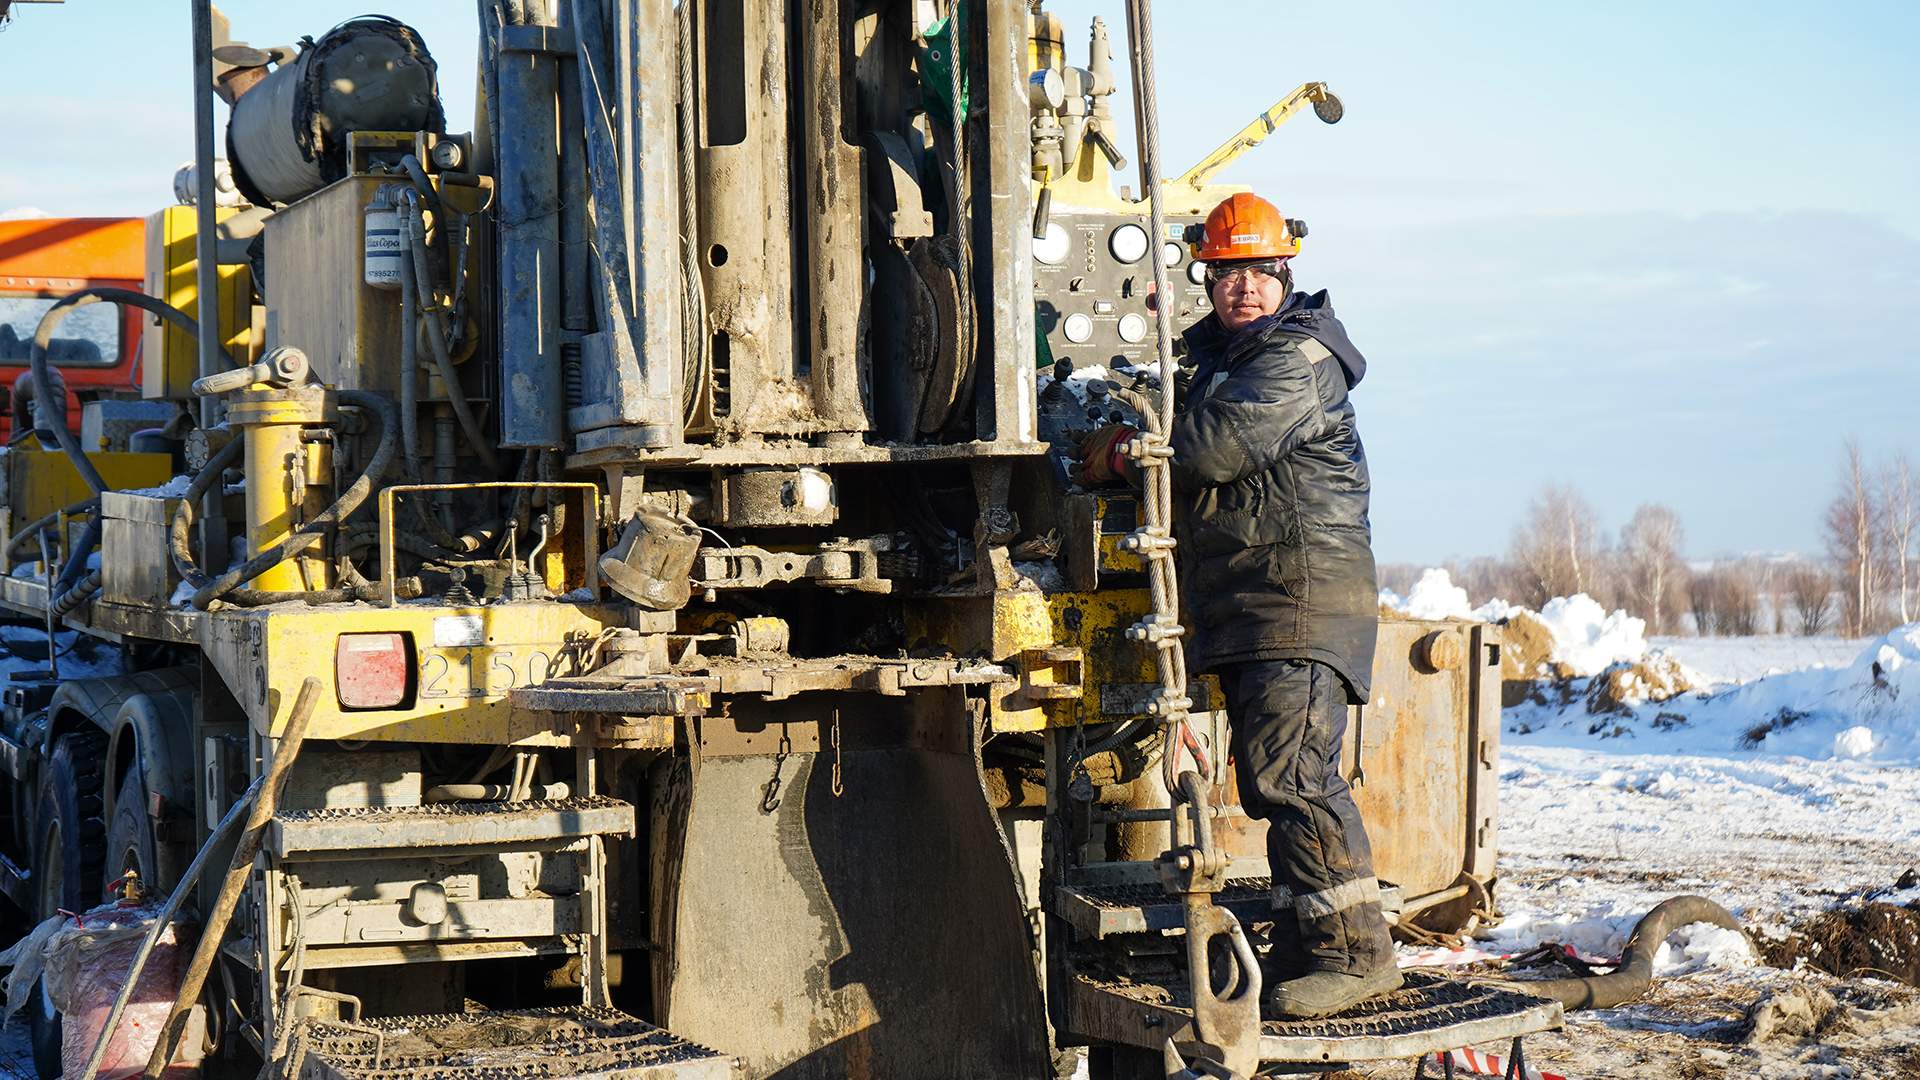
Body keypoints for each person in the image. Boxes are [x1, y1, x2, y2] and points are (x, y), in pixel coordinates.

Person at [1080, 192, 1397, 1018]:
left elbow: (1213, 448)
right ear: (1209, 279)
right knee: (1269, 780)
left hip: (1298, 598)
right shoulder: (1227, 360)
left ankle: (1359, 956)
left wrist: (1121, 451)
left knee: (1293, 777)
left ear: (1285, 274)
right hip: (1263, 603)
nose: (1243, 289)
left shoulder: (1296, 361)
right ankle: (1306, 946)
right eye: (1227, 274)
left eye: (1258, 273)